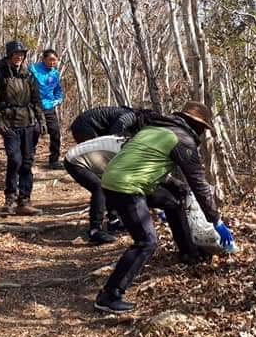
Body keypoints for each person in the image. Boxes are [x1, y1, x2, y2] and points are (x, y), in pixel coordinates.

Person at [94, 101, 237, 313]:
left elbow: (147, 162)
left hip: (115, 178)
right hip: (126, 187)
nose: (202, 133)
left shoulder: (156, 128)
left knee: (173, 201)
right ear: (196, 124)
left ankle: (189, 253)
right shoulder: (182, 139)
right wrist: (215, 220)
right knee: (146, 242)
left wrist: (175, 186)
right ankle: (110, 294)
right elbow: (199, 183)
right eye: (203, 128)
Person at [65, 106, 145, 245]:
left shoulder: (128, 142)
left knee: (108, 183)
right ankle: (95, 230)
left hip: (86, 149)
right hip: (77, 154)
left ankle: (113, 221)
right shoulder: (130, 118)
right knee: (100, 187)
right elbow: (116, 132)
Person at [0, 40, 46, 215]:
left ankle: (24, 201)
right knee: (15, 160)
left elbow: (36, 100)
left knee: (27, 163)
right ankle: (10, 199)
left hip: (28, 123)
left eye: (22, 54)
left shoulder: (29, 75)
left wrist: (41, 121)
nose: (19, 57)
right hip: (9, 124)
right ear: (9, 55)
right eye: (16, 54)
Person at [30, 49, 65, 170]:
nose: (52, 62)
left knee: (55, 133)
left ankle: (54, 160)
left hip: (49, 107)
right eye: (50, 59)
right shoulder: (33, 70)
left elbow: (58, 90)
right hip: (35, 108)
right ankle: (29, 159)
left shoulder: (55, 73)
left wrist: (57, 100)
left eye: (55, 60)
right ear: (44, 59)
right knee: (35, 132)